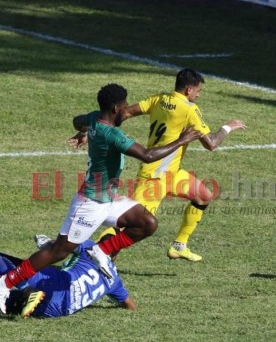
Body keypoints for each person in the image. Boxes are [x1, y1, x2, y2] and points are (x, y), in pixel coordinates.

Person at [0, 83, 202, 315]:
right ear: (115, 108)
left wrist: (84, 133)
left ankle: (101, 251)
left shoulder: (94, 119)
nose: (126, 112)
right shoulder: (112, 134)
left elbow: (76, 120)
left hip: (109, 199)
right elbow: (148, 155)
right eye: (124, 108)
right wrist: (183, 139)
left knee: (147, 223)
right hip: (90, 203)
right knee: (58, 252)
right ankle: (7, 282)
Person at [92, 69, 247, 262]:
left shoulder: (159, 99)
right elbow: (211, 143)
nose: (198, 95)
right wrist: (227, 127)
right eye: (198, 91)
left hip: (172, 173)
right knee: (127, 223)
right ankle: (93, 253)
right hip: (155, 176)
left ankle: (179, 246)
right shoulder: (189, 109)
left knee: (203, 196)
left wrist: (95, 126)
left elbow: (126, 112)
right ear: (189, 89)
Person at [0, 240, 136, 318]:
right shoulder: (114, 281)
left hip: (55, 284)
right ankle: (8, 304)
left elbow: (65, 244)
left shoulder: (92, 248)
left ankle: (26, 291)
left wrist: (48, 243)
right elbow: (130, 305)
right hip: (55, 311)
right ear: (115, 256)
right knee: (30, 302)